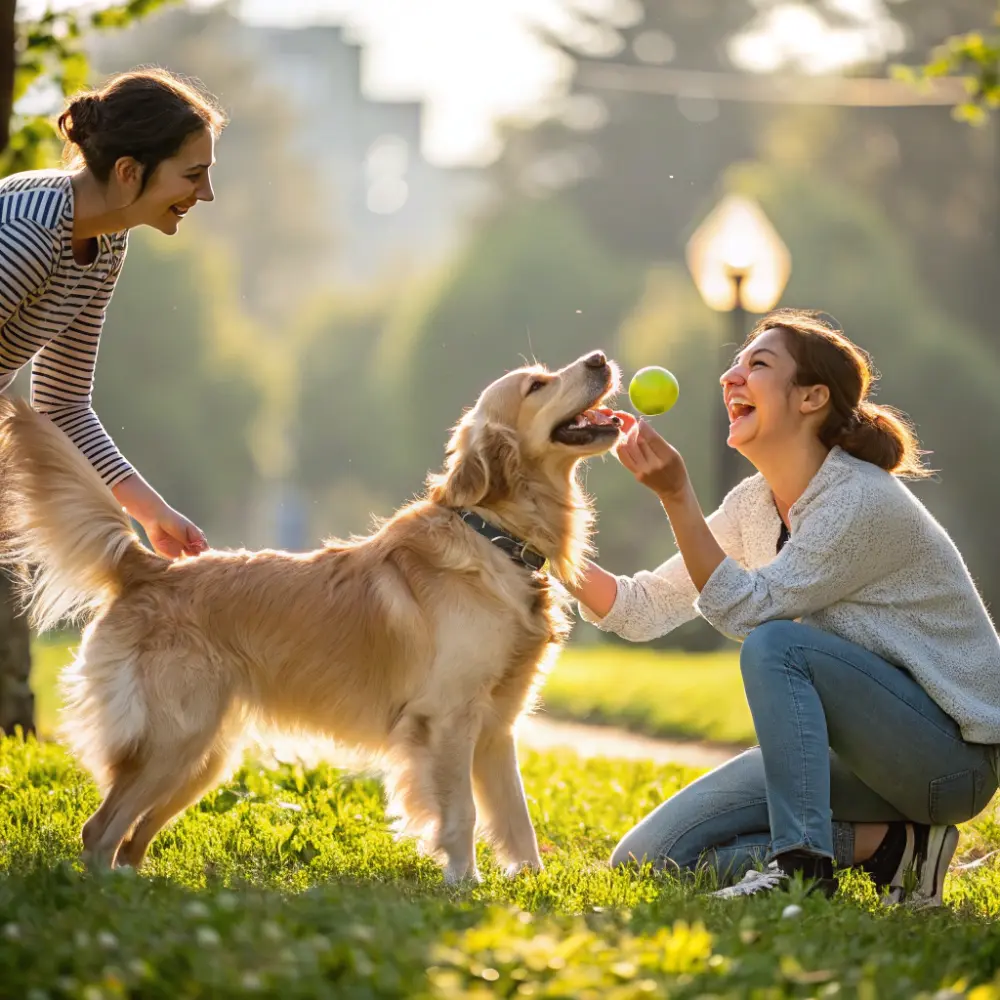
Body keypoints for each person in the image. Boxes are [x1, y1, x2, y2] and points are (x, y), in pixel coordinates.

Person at [571, 308, 1000, 906]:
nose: (731, 377)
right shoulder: (756, 504)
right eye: (734, 363)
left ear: (812, 397)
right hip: (857, 760)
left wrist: (677, 495)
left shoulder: (859, 501)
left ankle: (802, 868)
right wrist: (544, 543)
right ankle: (893, 850)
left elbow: (751, 614)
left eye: (758, 364)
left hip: (946, 763)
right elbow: (641, 607)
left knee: (777, 643)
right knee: (647, 860)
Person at [0, 67, 227, 557]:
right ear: (128, 172)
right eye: (192, 174)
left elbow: (62, 404)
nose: (205, 192)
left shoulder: (106, 242)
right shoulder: (32, 231)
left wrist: (153, 514)